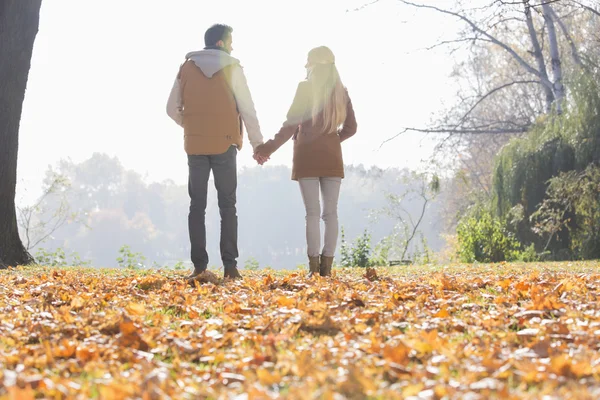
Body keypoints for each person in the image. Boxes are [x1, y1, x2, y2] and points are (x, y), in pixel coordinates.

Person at [166, 24, 267, 280]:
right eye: (231, 41)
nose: (233, 46)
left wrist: (190, 124)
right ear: (221, 43)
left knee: (196, 206)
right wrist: (258, 144)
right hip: (225, 144)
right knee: (227, 206)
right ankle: (230, 267)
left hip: (195, 144)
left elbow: (171, 108)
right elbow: (247, 108)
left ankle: (199, 267)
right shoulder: (233, 68)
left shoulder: (186, 68)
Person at [254, 46, 357, 277]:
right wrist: (331, 141)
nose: (305, 67)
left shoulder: (305, 88)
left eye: (307, 63)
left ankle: (313, 269)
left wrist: (266, 148)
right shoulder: (341, 91)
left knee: (312, 213)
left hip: (306, 156)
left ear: (312, 65)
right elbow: (352, 128)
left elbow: (291, 124)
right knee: (331, 214)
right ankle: (327, 269)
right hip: (332, 158)